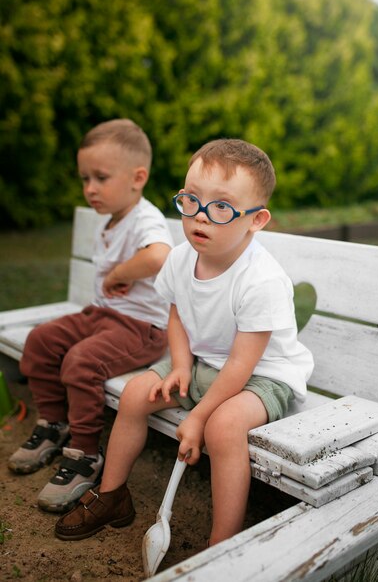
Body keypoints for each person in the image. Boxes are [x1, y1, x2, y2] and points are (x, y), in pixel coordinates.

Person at [54, 138, 314, 545]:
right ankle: (112, 495)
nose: (200, 218)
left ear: (256, 220)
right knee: (137, 393)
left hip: (261, 377)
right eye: (191, 200)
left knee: (223, 428)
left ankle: (221, 542)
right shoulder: (180, 257)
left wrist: (198, 417)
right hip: (203, 364)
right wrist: (178, 366)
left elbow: (241, 366)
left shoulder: (260, 279)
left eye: (222, 207)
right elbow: (177, 314)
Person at [8, 119, 173, 514]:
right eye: (85, 178)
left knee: (81, 361)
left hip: (141, 328)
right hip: (103, 316)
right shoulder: (113, 217)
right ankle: (54, 424)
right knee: (41, 340)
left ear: (138, 178)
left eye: (100, 177)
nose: (90, 188)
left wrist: (119, 273)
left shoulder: (145, 218)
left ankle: (84, 453)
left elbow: (159, 256)